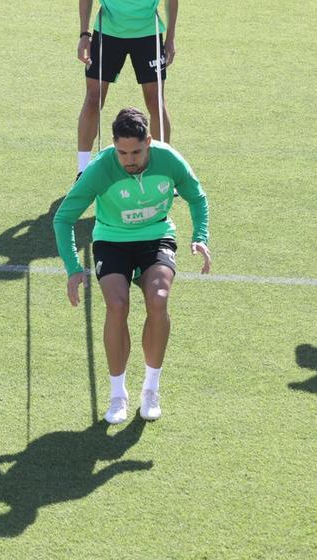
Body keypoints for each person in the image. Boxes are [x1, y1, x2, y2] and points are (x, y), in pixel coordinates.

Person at [53, 107, 210, 424]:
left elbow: (197, 196)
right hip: (112, 240)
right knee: (117, 304)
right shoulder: (101, 169)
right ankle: (117, 395)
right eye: (122, 152)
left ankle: (150, 389)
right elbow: (64, 217)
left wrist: (200, 236)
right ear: (113, 145)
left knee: (159, 298)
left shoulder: (168, 160)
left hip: (156, 237)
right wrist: (72, 268)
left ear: (149, 141)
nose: (129, 160)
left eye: (136, 151)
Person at [75, 0, 178, 177]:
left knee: (156, 102)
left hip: (147, 33)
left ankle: (163, 169)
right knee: (93, 98)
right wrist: (84, 34)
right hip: (108, 32)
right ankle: (83, 170)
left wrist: (170, 38)